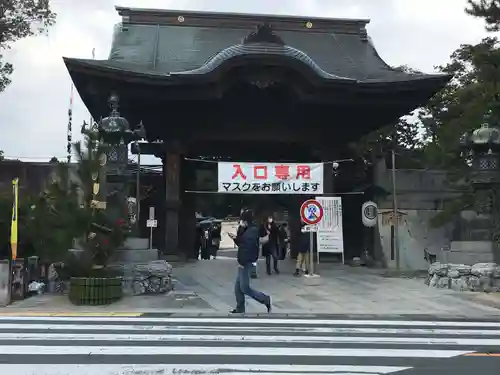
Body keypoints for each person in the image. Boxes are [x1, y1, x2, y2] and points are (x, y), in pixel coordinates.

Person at [230, 208, 272, 314]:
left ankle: (265, 299)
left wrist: (243, 262)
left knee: (244, 288)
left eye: (242, 220)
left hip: (245, 262)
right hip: (242, 261)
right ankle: (240, 308)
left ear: (246, 220)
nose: (240, 222)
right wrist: (235, 238)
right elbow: (241, 243)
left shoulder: (252, 231)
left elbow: (248, 247)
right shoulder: (245, 229)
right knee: (237, 288)